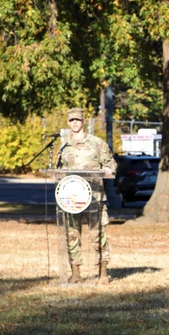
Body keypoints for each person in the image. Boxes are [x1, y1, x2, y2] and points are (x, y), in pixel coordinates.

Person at [55, 107, 117, 284]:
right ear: (68, 123)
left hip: (94, 196)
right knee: (72, 234)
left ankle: (103, 273)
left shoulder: (96, 143)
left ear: (83, 122)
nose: (75, 123)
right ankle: (75, 274)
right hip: (71, 198)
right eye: (72, 120)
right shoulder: (64, 145)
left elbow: (111, 163)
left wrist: (108, 169)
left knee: (97, 235)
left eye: (78, 120)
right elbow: (58, 170)